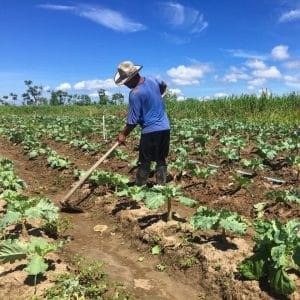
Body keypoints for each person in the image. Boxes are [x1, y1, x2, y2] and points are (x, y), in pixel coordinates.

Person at [115, 61, 170, 186]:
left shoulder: (135, 94)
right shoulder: (152, 80)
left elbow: (132, 121)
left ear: (132, 78)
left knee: (145, 161)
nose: (125, 85)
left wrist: (123, 135)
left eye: (126, 82)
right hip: (165, 127)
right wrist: (159, 94)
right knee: (161, 160)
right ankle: (161, 187)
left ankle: (139, 189)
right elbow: (164, 84)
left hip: (150, 130)